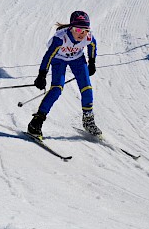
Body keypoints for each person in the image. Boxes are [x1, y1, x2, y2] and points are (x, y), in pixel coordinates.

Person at [27, 10, 102, 139]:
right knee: (56, 89)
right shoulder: (60, 38)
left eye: (85, 31)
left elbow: (92, 46)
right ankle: (36, 122)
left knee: (87, 88)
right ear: (71, 28)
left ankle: (88, 120)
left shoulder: (88, 37)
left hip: (77, 59)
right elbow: (48, 56)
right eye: (78, 30)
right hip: (58, 60)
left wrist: (92, 62)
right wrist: (42, 75)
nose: (81, 34)